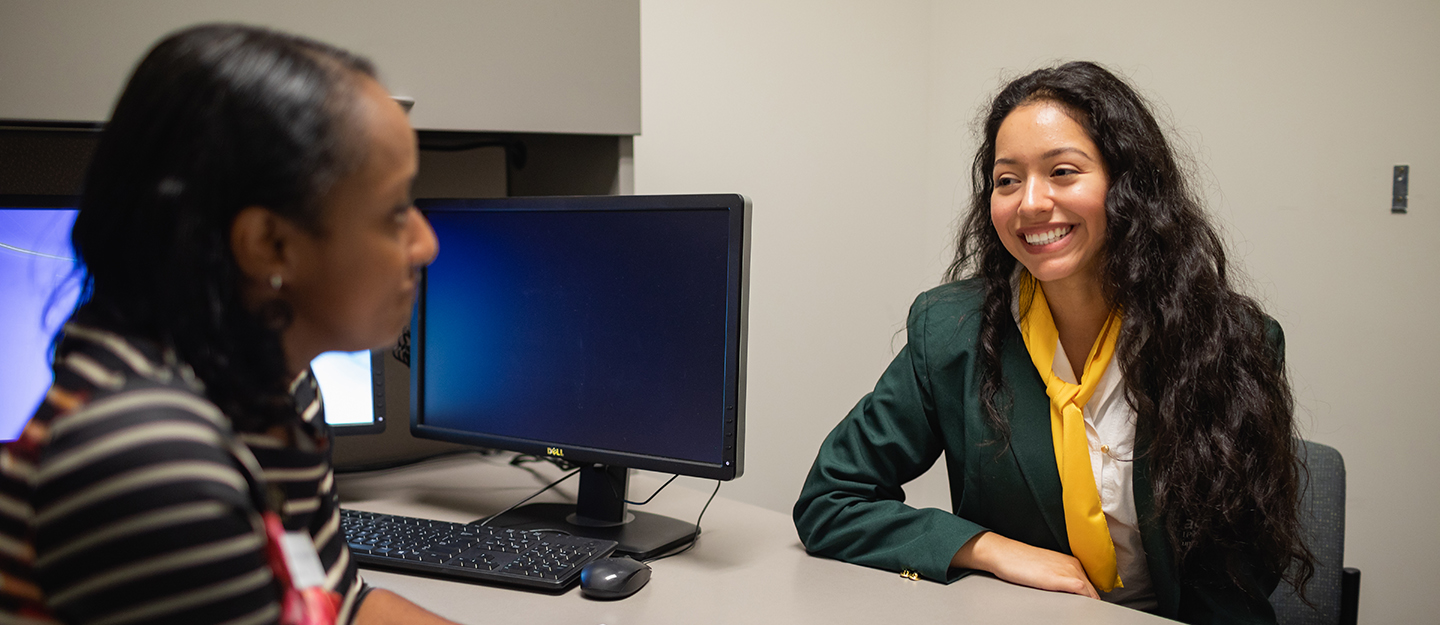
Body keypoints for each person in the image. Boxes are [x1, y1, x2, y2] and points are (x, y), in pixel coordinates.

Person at [793, 61, 1314, 623]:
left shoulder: (1229, 341)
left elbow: (1237, 577)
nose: (1030, 203)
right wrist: (991, 549)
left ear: (1128, 185)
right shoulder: (950, 331)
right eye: (1007, 180)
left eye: (1063, 171)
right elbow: (830, 501)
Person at [0, 24, 459, 624]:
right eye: (396, 211)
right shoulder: (151, 461)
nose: (427, 244)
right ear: (269, 244)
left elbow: (337, 606)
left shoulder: (274, 384)